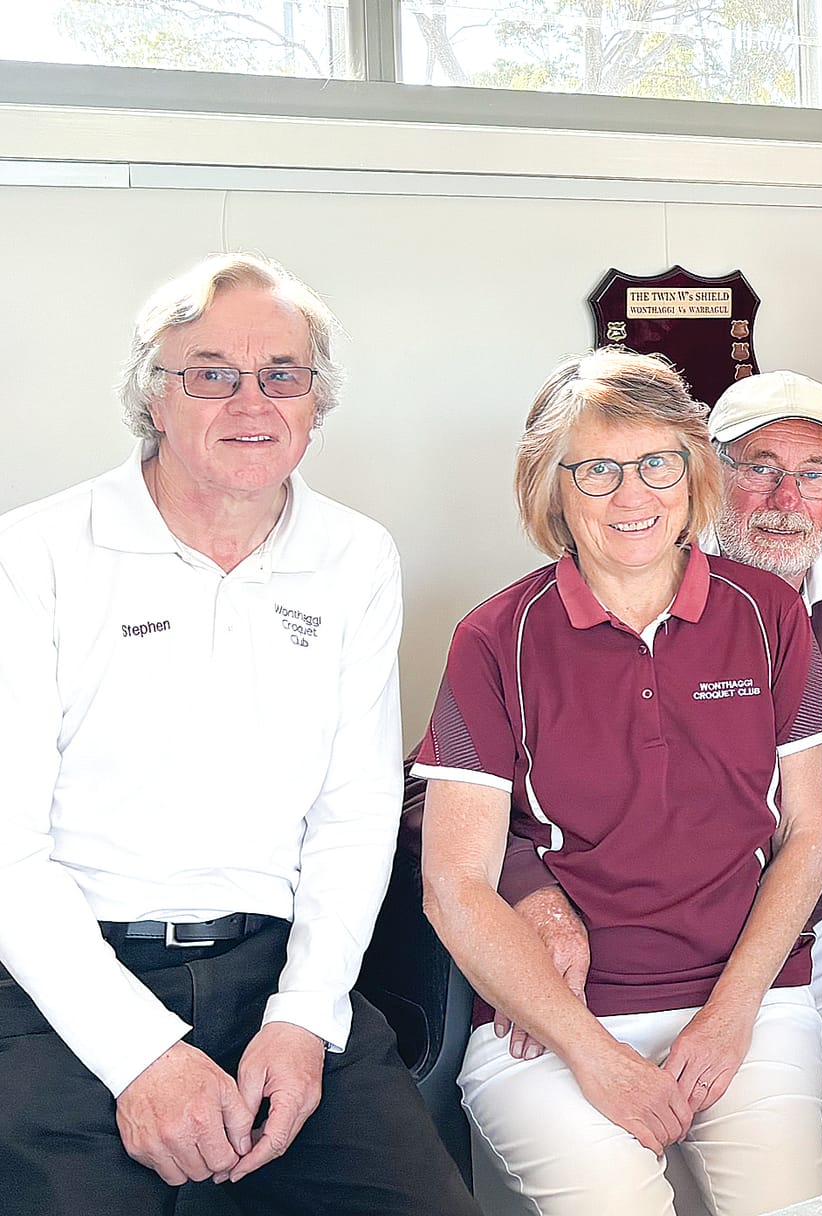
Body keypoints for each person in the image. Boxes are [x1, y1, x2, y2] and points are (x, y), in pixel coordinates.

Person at [0, 254, 475, 1213]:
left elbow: (353, 818)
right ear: (154, 398)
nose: (250, 401)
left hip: (281, 975)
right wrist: (141, 1058)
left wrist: (303, 1021)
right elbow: (7, 850)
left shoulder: (354, 558)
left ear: (314, 402)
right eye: (211, 373)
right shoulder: (35, 553)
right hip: (67, 988)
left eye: (281, 375)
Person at [489, 370, 822, 1176]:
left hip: (820, 933)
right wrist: (529, 892)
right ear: (708, 472)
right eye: (759, 467)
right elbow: (436, 789)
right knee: (657, 1144)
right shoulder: (611, 583)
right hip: (634, 948)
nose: (788, 497)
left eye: (815, 473)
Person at [416, 349, 822, 1215]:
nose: (632, 495)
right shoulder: (495, 638)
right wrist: (591, 1052)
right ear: (552, 490)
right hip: (551, 1018)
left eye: (658, 464)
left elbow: (807, 834)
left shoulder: (770, 614)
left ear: (692, 477)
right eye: (598, 470)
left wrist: (730, 1016)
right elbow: (452, 886)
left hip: (749, 997)